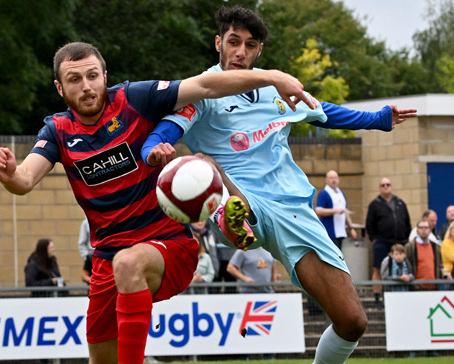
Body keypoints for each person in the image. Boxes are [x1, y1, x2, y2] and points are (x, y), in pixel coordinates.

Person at [0, 42, 315, 364]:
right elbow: (25, 180)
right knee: (102, 358)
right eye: (75, 80)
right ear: (60, 87)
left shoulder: (134, 99)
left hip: (169, 246)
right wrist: (9, 174)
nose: (86, 87)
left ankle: (222, 210)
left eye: (93, 76)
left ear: (105, 75)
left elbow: (205, 85)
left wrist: (271, 76)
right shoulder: (58, 130)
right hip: (106, 260)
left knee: (130, 262)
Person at [142, 6, 417, 363]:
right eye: (233, 42)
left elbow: (322, 111)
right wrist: (153, 150)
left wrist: (378, 119)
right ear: (218, 44)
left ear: (259, 51)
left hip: (293, 210)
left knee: (353, 321)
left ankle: (239, 218)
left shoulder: (275, 91)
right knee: (203, 165)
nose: (240, 51)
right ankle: (231, 216)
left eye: (250, 45)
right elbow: (162, 133)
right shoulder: (203, 91)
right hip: (239, 199)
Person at [366, 177, 411, 308]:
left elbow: (407, 221)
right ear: (380, 188)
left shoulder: (400, 203)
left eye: (388, 184)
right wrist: (374, 238)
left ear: (391, 186)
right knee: (378, 269)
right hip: (382, 241)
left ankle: (402, 296)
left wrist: (406, 238)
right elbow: (369, 224)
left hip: (399, 241)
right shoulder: (375, 204)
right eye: (383, 185)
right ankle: (377, 298)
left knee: (403, 267)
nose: (386, 187)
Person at [315, 170, 357, 250]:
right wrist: (335, 211)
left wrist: (351, 228)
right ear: (326, 180)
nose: (333, 180)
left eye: (335, 178)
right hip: (330, 232)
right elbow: (319, 210)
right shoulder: (324, 193)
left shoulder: (341, 193)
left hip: (341, 231)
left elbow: (345, 212)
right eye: (331, 178)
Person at [405, 220, 442, 290]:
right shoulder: (410, 246)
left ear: (430, 230)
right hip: (416, 287)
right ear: (417, 231)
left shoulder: (435, 247)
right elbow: (406, 265)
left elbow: (440, 264)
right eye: (421, 228)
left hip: (434, 288)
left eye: (426, 227)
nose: (423, 230)